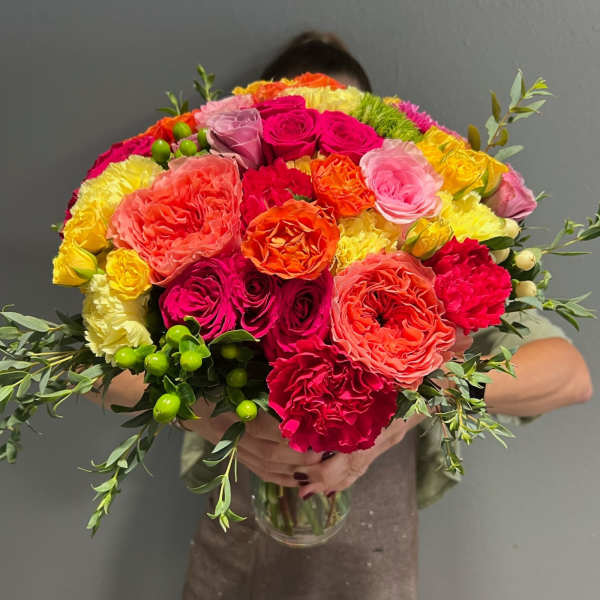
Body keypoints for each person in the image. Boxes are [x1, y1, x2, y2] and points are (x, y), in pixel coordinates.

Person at [92, 32, 593, 600]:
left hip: (373, 557)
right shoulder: (211, 247)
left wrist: (416, 404)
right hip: (237, 551)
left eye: (342, 120)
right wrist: (208, 417)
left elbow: (571, 376)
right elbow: (92, 371)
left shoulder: (428, 259)